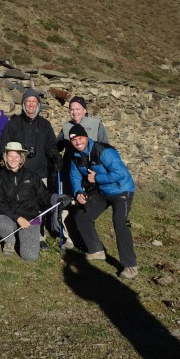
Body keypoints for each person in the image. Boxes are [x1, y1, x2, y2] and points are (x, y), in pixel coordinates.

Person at [67, 124, 138, 279]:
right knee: (82, 216)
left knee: (119, 223)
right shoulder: (75, 156)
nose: (77, 142)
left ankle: (130, 265)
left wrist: (96, 178)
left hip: (121, 190)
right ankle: (96, 250)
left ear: (86, 137)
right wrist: (78, 192)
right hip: (102, 191)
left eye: (80, 138)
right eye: (73, 140)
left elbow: (120, 173)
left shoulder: (104, 151)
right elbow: (75, 176)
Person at [0, 142, 68, 260]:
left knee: (30, 256)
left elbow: (44, 195)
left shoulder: (31, 176)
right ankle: (10, 241)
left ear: (21, 158)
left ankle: (22, 236)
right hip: (9, 215)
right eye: (10, 156)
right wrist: (17, 218)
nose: (13, 159)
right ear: (6, 157)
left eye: (16, 156)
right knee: (1, 224)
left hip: (30, 216)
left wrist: (56, 198)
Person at [55, 95, 110, 248]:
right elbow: (58, 145)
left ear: (84, 110)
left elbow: (104, 146)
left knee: (87, 205)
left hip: (90, 173)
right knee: (68, 203)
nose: (75, 112)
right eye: (71, 109)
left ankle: (86, 237)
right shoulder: (66, 127)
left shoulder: (96, 124)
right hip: (70, 172)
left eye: (78, 109)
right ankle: (70, 238)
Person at [0, 88, 59, 185]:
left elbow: (51, 146)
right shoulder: (13, 123)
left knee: (41, 200)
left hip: (40, 174)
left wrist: (55, 157)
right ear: (23, 103)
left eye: (34, 101)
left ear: (38, 104)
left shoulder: (45, 125)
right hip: (18, 174)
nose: (31, 104)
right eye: (28, 101)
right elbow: (4, 146)